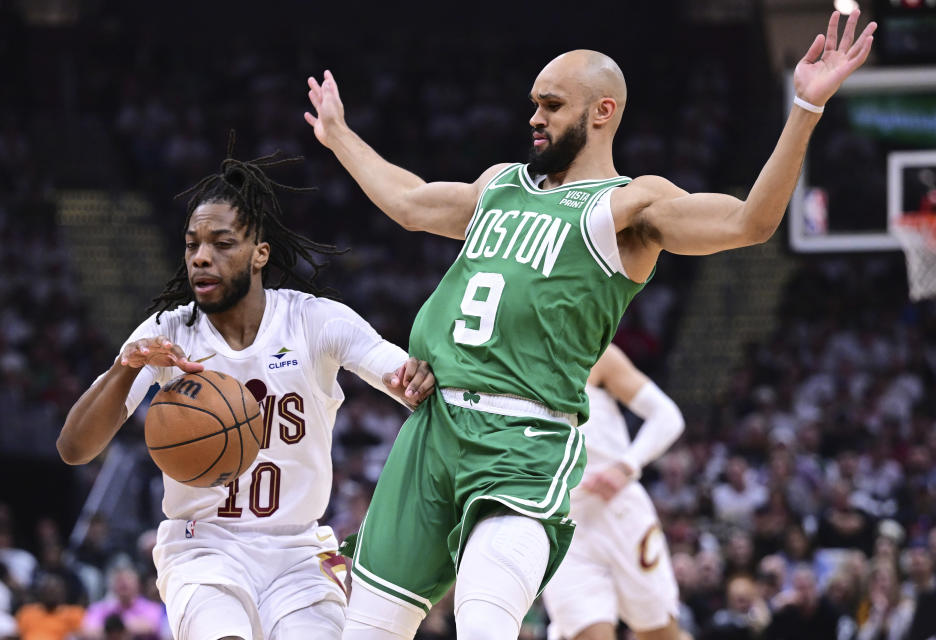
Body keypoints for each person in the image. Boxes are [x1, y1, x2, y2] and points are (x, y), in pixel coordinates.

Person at [304, 10, 876, 640]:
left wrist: (803, 108)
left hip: (521, 440)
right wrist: (340, 137)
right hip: (430, 433)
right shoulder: (500, 185)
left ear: (601, 112)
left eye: (550, 104)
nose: (534, 117)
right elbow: (411, 205)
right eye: (533, 103)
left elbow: (749, 222)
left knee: (484, 618)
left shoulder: (629, 206)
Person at [56, 151, 436, 640]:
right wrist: (125, 368)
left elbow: (398, 374)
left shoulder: (314, 321)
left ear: (260, 252)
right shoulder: (169, 333)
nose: (200, 256)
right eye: (192, 244)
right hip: (203, 547)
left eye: (221, 243)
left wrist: (414, 378)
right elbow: (74, 449)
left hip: (299, 552)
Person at [541, 344, 685, 640]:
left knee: (662, 634)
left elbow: (667, 416)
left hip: (619, 511)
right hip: (562, 524)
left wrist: (626, 466)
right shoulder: (499, 358)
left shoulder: (591, 349)